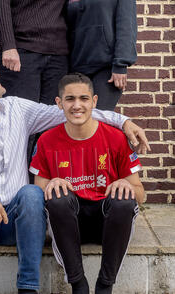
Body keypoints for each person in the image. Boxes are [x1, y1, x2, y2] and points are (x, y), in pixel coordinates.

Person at [0, 61, 149, 294]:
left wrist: (123, 121)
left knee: (31, 193)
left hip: (14, 222)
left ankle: (28, 289)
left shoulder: (16, 109)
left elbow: (71, 111)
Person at [29, 73, 145, 294]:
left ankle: (105, 285)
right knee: (57, 196)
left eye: (84, 98)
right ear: (59, 103)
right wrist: (52, 183)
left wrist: (126, 185)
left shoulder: (116, 138)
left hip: (106, 221)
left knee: (123, 200)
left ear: (94, 101)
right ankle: (78, 284)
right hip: (70, 222)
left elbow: (141, 195)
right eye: (70, 99)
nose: (77, 105)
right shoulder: (47, 140)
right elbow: (38, 191)